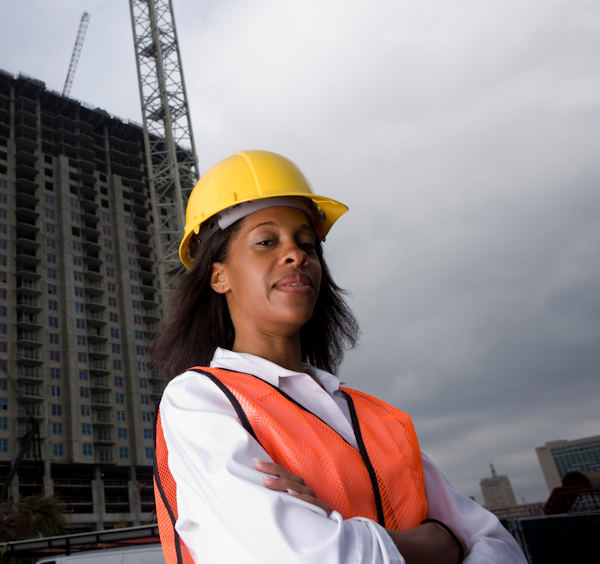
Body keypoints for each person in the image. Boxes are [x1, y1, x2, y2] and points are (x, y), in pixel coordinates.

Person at [150, 150, 527, 564]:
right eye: (267, 241)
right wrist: (443, 542)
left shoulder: (380, 420)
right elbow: (307, 558)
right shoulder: (200, 400)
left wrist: (337, 528)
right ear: (218, 275)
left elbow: (500, 546)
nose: (297, 254)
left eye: (306, 242)